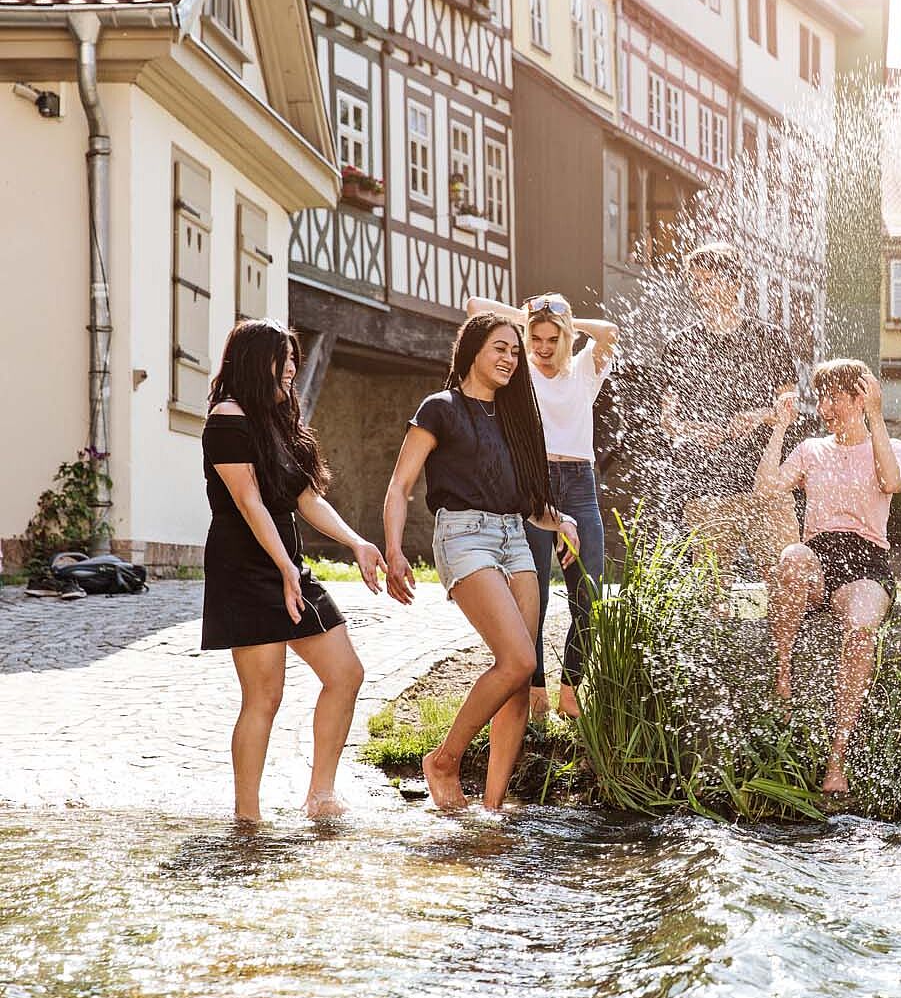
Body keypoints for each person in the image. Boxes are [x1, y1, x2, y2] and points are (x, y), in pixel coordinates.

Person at [382, 312, 575, 811]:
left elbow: (526, 502)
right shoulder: (440, 409)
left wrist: (561, 521)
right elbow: (400, 486)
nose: (510, 359)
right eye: (500, 349)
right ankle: (444, 760)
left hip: (515, 537)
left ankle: (492, 808)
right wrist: (394, 550)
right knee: (520, 660)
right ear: (472, 350)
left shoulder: (515, 417)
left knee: (517, 679)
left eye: (514, 352)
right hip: (464, 536)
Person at [200, 320, 380, 823]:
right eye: (284, 359)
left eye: (294, 358)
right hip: (245, 567)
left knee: (346, 673)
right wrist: (283, 568)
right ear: (256, 362)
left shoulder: (277, 422)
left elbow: (306, 498)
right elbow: (249, 501)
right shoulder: (227, 419)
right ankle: (248, 818)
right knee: (265, 696)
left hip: (286, 564)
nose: (292, 369)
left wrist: (357, 542)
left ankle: (320, 795)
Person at [755, 359, 901, 795]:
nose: (824, 408)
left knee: (861, 630)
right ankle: (783, 678)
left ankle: (837, 760)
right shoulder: (811, 450)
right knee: (791, 558)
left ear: (860, 399)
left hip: (867, 563)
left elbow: (891, 482)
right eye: (820, 399)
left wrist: (876, 414)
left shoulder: (890, 446)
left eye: (834, 398)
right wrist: (780, 429)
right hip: (818, 556)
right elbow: (766, 490)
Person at [467, 292, 617, 721]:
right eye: (536, 339)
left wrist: (565, 318)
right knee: (532, 596)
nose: (544, 348)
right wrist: (529, 317)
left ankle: (571, 688)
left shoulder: (585, 368)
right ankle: (536, 690)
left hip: (581, 486)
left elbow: (609, 332)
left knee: (589, 594)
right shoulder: (522, 370)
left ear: (566, 337)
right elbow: (475, 308)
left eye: (553, 339)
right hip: (533, 484)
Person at [658, 241, 799, 603]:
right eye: (695, 282)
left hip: (765, 485)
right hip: (707, 487)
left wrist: (759, 415)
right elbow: (668, 420)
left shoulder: (770, 339)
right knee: (710, 595)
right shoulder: (680, 344)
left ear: (735, 282)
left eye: (708, 280)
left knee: (785, 584)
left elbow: (791, 408)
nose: (699, 289)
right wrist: (692, 429)